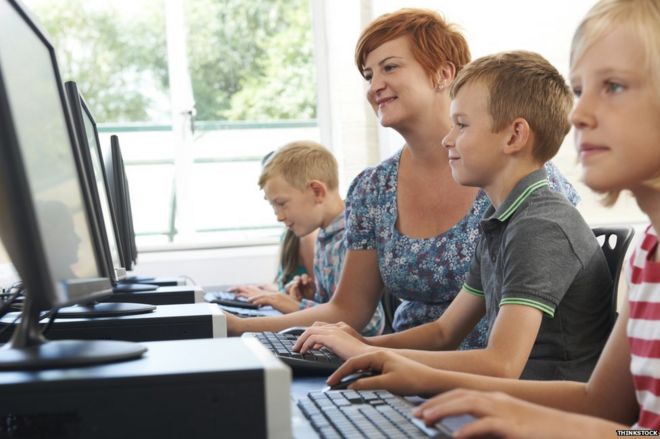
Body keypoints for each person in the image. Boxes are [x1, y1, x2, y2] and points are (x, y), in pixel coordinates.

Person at [326, 0, 660, 435]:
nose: (578, 115)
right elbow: (608, 409)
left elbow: (511, 368)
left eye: (613, 86)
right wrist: (382, 355)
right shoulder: (647, 255)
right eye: (579, 91)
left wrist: (431, 377)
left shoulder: (542, 223)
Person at [224, 9, 578, 343]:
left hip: (490, 378)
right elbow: (348, 310)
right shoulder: (373, 188)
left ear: (443, 74)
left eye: (389, 67)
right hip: (406, 361)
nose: (374, 85)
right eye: (368, 75)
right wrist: (241, 327)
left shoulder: (519, 177)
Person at [297, 50, 613, 382]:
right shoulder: (501, 219)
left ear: (514, 136)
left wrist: (371, 356)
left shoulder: (540, 226)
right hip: (506, 399)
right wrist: (361, 344)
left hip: (545, 414)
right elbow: (444, 332)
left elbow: (501, 365)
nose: (448, 139)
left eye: (461, 125)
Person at [232, 140, 384, 335]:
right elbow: (332, 307)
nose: (278, 216)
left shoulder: (349, 240)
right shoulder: (325, 236)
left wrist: (295, 308)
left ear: (317, 191)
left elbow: (370, 324)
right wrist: (309, 298)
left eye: (281, 203)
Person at [230, 229, 318, 313]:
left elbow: (316, 298)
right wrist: (272, 290)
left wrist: (269, 296)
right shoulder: (290, 233)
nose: (279, 217)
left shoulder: (308, 237)